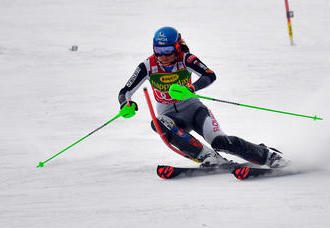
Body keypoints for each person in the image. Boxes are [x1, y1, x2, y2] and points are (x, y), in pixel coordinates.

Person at [118, 26, 287, 168]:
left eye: (168, 51)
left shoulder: (186, 59)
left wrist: (191, 88)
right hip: (170, 116)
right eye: (158, 51)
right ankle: (208, 157)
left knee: (220, 141)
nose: (163, 56)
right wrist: (126, 104)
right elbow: (125, 91)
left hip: (194, 110)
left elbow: (209, 75)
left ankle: (269, 156)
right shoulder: (147, 66)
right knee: (157, 122)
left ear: (177, 48)